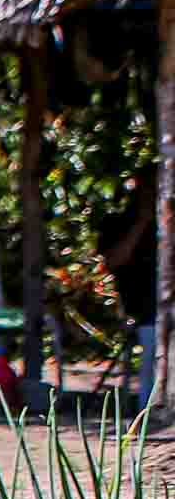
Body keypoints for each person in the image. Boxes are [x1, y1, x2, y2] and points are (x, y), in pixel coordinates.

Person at [101, 169, 160, 406]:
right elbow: (114, 260)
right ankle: (149, 408)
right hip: (142, 309)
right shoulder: (117, 223)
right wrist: (143, 221)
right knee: (153, 345)